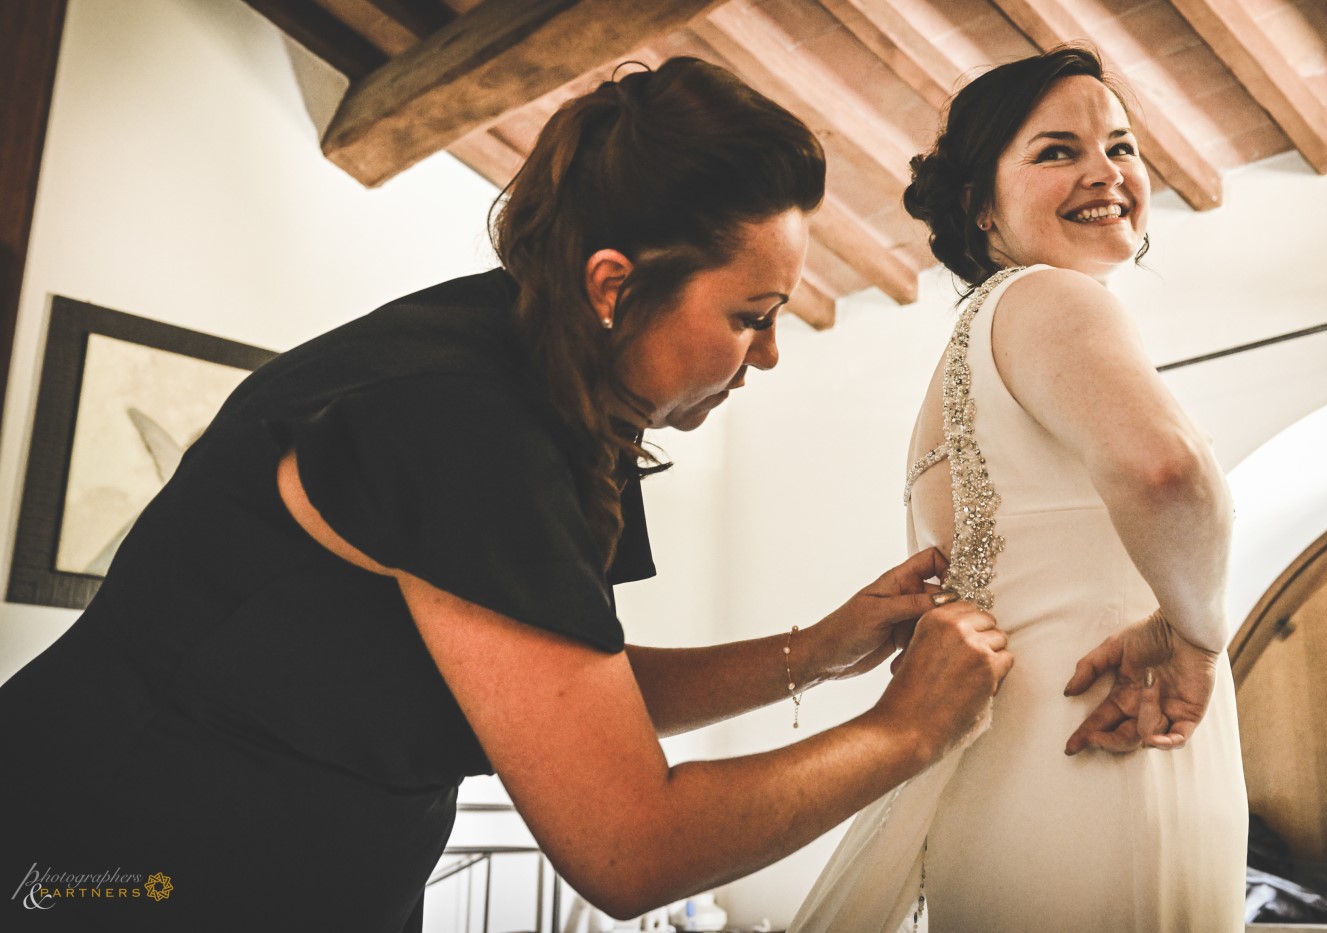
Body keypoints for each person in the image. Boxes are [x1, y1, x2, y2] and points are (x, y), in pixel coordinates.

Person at [0, 58, 1013, 931]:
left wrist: (821, 651)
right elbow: (628, 848)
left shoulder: (551, 376)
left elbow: (568, 702)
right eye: (751, 314)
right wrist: (905, 729)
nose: (771, 353)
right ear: (613, 285)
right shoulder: (462, 424)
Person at [791, 46, 1247, 932]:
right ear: (979, 207)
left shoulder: (972, 345)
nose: (1105, 171)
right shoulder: (1052, 299)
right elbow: (1170, 474)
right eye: (1056, 151)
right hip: (1114, 742)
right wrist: (1192, 635)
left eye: (1120, 146)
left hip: (1018, 760)